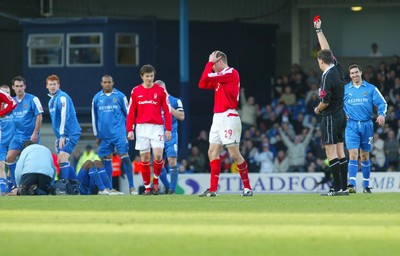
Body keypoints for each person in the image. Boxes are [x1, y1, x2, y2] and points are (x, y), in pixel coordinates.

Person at [198, 50, 253, 197]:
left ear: (219, 61)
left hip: (229, 116)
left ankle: (247, 188)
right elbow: (202, 83)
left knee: (234, 154)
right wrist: (210, 64)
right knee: (212, 152)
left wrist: (209, 63)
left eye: (213, 64)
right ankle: (213, 189)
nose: (212, 68)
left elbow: (206, 76)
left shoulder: (231, 73)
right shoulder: (219, 78)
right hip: (217, 117)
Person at [313, 17, 349, 196]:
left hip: (330, 117)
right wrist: (319, 31)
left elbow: (325, 101)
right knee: (341, 151)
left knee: (331, 152)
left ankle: (336, 188)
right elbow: (326, 50)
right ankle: (343, 187)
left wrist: (317, 110)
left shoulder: (327, 76)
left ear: (320, 61)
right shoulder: (337, 68)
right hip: (341, 115)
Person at [126, 65, 172, 195]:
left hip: (157, 127)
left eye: (152, 76)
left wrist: (168, 129)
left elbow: (167, 111)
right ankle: (147, 187)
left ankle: (156, 180)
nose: (150, 78)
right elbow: (131, 112)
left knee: (158, 156)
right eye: (147, 76)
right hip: (141, 128)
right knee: (145, 158)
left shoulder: (160, 91)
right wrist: (129, 129)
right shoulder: (135, 91)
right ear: (142, 76)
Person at [344, 64, 387, 193]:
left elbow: (382, 102)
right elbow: (336, 105)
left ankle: (366, 186)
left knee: (364, 156)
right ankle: (351, 184)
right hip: (351, 125)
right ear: (350, 75)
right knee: (353, 154)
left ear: (361, 72)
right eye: (352, 73)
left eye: (356, 72)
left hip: (367, 124)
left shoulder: (370, 88)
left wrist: (381, 114)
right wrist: (342, 113)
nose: (354, 75)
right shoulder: (345, 89)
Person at [92, 75, 135, 194]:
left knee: (125, 157)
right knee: (106, 159)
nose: (107, 84)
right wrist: (97, 134)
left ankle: (132, 187)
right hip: (104, 135)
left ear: (113, 83)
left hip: (119, 133)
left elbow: (129, 114)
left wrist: (130, 129)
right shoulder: (96, 98)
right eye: (105, 82)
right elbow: (94, 117)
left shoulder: (120, 96)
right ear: (101, 83)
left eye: (109, 82)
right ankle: (110, 188)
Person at [6, 76, 43, 191]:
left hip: (30, 137)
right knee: (10, 157)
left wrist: (35, 133)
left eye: (21, 86)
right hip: (17, 137)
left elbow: (39, 116)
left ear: (25, 86)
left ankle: (34, 185)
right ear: (13, 87)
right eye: (17, 86)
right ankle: (16, 184)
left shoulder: (33, 99)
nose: (19, 88)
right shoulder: (10, 102)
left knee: (31, 163)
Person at [46, 74, 81, 184]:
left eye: (54, 84)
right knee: (62, 160)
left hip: (70, 133)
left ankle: (63, 184)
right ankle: (76, 183)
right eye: (50, 84)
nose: (52, 86)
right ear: (46, 86)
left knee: (62, 158)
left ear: (58, 85)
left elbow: (64, 116)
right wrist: (58, 137)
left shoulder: (62, 97)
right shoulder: (51, 101)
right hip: (62, 135)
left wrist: (62, 135)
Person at [155, 80, 185, 195]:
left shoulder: (175, 101)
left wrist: (167, 106)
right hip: (157, 134)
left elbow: (181, 116)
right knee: (158, 162)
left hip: (171, 134)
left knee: (172, 161)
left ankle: (172, 189)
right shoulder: (154, 102)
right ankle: (167, 186)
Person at [0, 85, 17, 195]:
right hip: (1, 142)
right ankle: (2, 190)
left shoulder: (15, 108)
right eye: (3, 93)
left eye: (8, 93)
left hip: (13, 142)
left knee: (11, 168)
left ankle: (10, 189)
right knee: (1, 165)